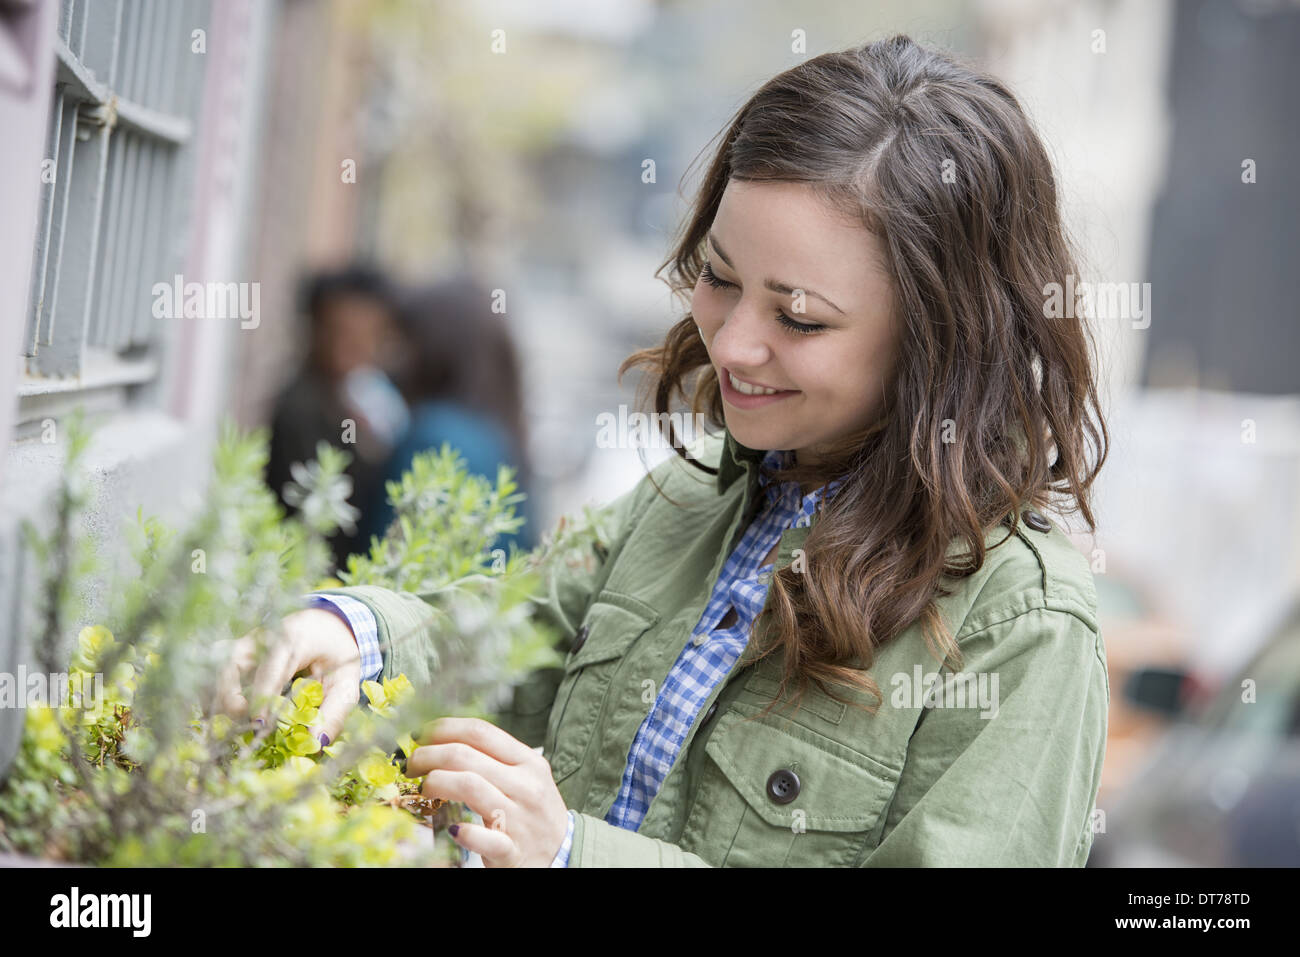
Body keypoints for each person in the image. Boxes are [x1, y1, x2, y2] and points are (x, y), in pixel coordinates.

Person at [220, 35, 1111, 867]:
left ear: (940, 339)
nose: (730, 345)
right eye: (719, 278)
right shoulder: (685, 502)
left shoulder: (1022, 631)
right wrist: (353, 635)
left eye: (799, 317)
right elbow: (508, 632)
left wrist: (574, 852)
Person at [355, 279, 538, 555]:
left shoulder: (433, 434)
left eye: (402, 342)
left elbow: (391, 560)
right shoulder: (496, 434)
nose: (391, 358)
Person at [264, 264, 409, 573]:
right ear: (316, 329)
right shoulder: (301, 410)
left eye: (367, 334)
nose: (353, 346)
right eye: (340, 332)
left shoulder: (364, 396)